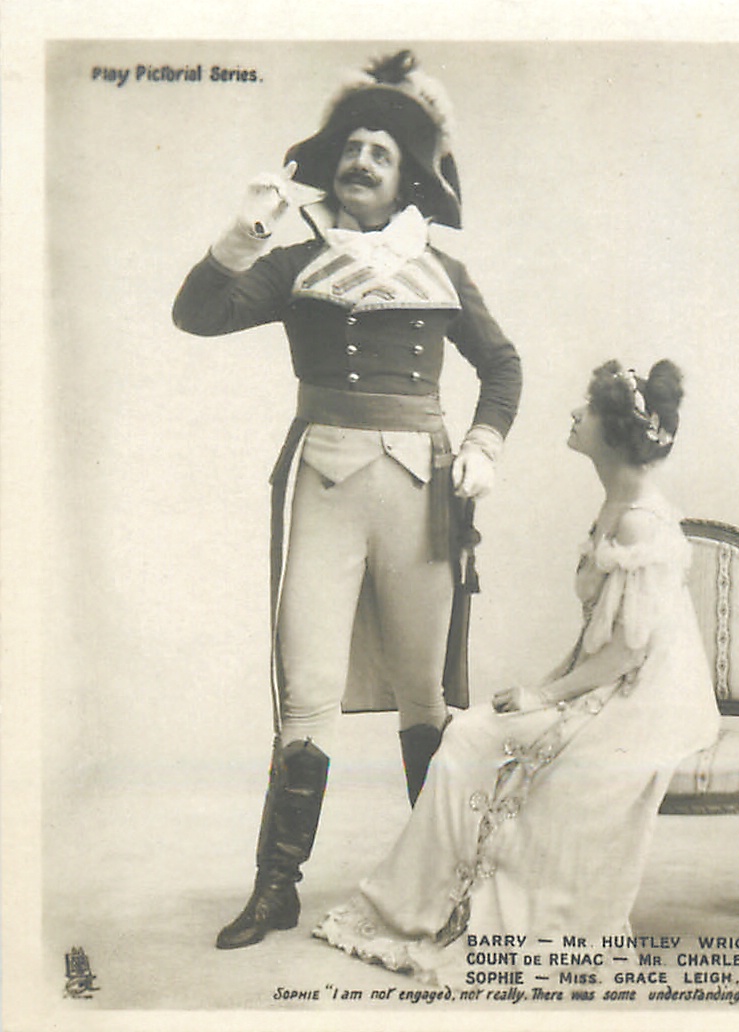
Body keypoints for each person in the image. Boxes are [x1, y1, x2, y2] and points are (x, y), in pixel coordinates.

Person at [171, 51, 523, 950]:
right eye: (352, 148)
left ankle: (442, 884)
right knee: (307, 689)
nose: (362, 160)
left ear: (408, 177)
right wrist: (246, 231)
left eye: (382, 151)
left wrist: (482, 445)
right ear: (331, 167)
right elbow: (197, 315)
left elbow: (502, 365)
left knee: (423, 692)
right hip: (322, 481)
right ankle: (275, 888)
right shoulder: (295, 261)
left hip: (420, 488)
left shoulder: (440, 269)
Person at [311, 360, 719, 985]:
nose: (575, 415)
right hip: (613, 679)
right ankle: (423, 904)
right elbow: (600, 639)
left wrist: (544, 694)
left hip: (648, 698)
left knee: (483, 741)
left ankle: (460, 912)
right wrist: (549, 691)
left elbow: (627, 652)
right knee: (469, 735)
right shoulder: (616, 501)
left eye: (588, 410)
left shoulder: (640, 517)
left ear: (613, 432)